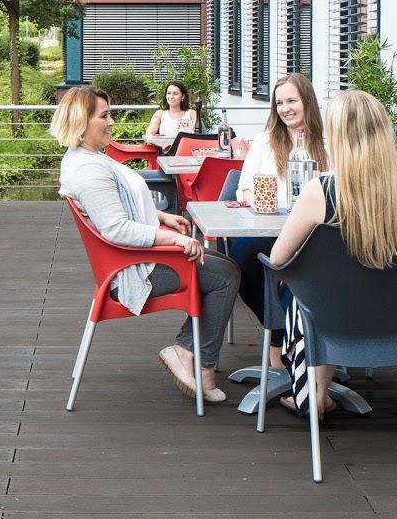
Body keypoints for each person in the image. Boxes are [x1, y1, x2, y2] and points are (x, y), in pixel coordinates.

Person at [53, 86, 240, 404]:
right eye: (104, 116)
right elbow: (117, 229)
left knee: (228, 266)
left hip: (137, 259)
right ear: (81, 122)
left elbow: (119, 209)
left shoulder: (89, 158)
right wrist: (176, 238)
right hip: (132, 270)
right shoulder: (88, 171)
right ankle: (194, 358)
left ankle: (189, 351)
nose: (112, 122)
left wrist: (161, 217)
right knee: (225, 276)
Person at [270, 89, 397, 416]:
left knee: (310, 290)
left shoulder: (321, 191)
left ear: (338, 137)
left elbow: (278, 259)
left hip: (332, 319)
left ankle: (315, 392)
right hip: (390, 318)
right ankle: (319, 390)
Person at [229, 72, 327, 369]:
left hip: (317, 234)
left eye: (291, 101)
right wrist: (261, 203)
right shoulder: (265, 140)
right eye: (279, 103)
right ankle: (282, 335)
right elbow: (244, 188)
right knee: (241, 255)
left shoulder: (328, 142)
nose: (285, 109)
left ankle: (295, 343)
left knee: (299, 271)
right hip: (271, 229)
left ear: (307, 101)